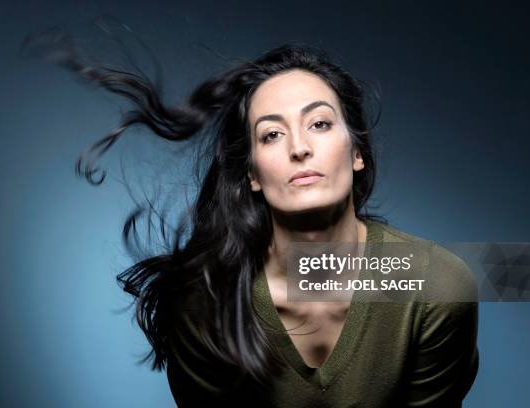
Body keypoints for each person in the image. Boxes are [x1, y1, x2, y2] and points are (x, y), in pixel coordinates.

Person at [50, 41, 479, 407]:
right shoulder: (206, 301)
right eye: (271, 134)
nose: (299, 147)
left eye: (320, 124)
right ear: (252, 174)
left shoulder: (436, 284)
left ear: (356, 153)